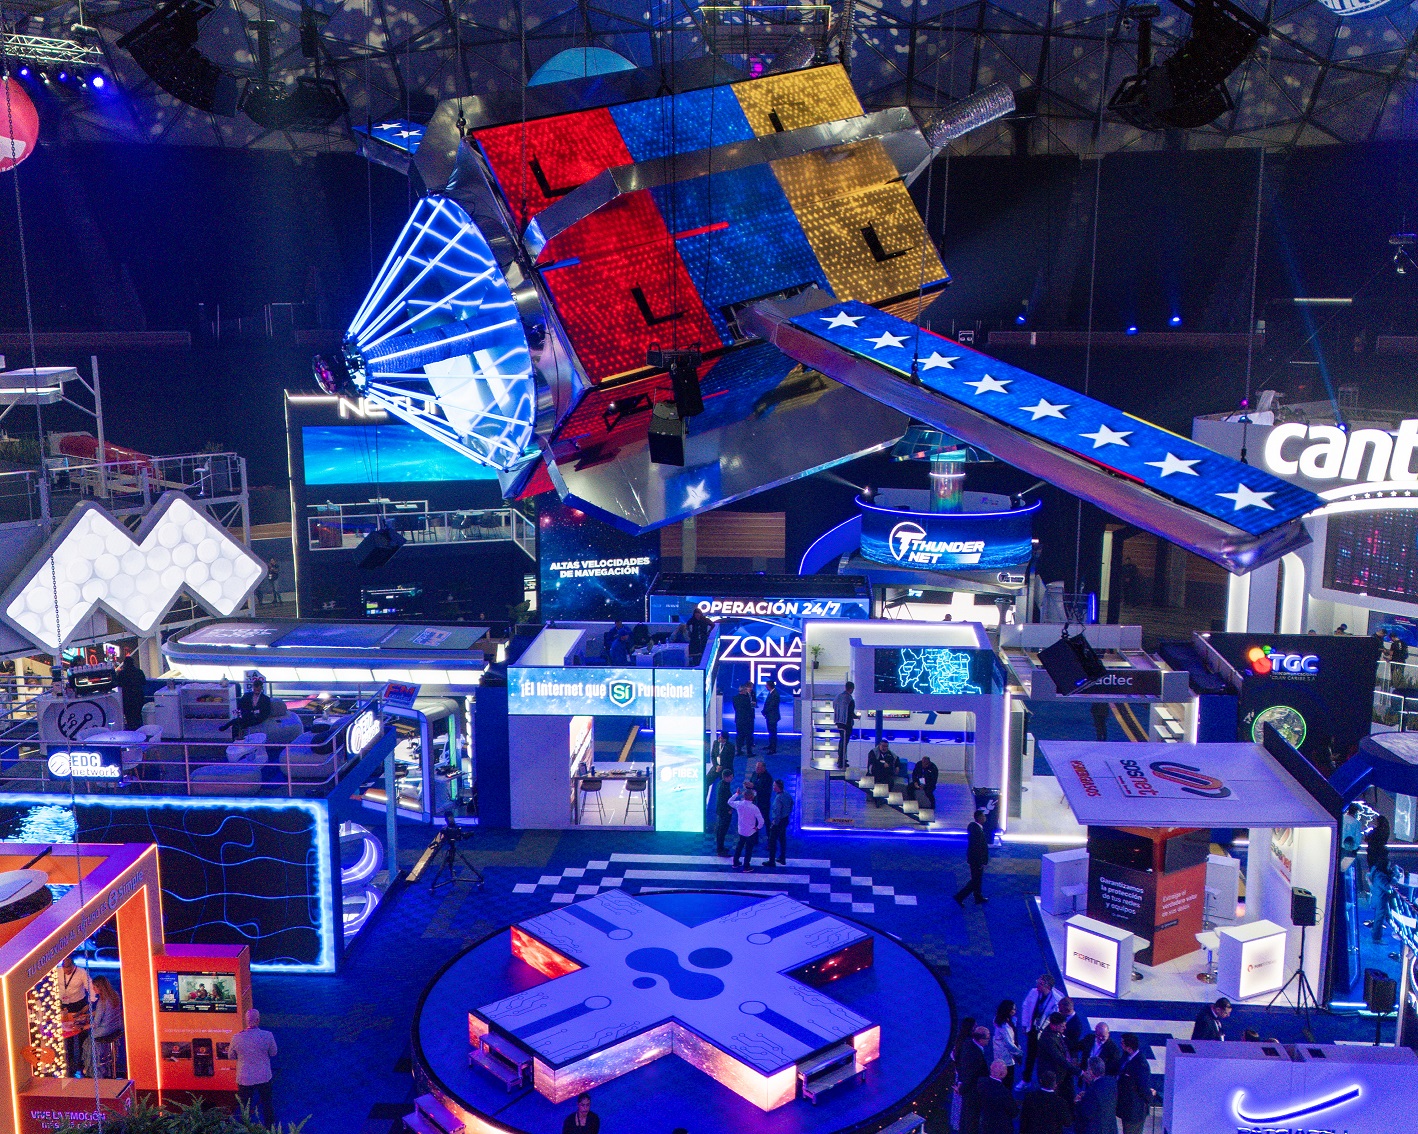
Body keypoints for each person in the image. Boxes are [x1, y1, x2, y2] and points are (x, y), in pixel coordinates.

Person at [231, 1007, 278, 1125]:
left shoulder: (237, 1037)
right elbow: (273, 1053)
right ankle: (270, 1128)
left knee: (244, 1106)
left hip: (244, 1078)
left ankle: (245, 1128)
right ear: (258, 1020)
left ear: (246, 1021)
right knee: (267, 1103)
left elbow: (231, 1056)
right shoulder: (267, 1035)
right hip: (264, 1076)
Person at [1019, 973, 1060, 1082]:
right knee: (1030, 1056)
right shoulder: (1033, 992)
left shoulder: (1056, 1000)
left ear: (1048, 986)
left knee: (1044, 1059)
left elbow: (1056, 1019)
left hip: (1045, 1034)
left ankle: (1044, 1082)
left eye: (1040, 983)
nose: (1037, 984)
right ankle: (1026, 1080)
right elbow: (1026, 1007)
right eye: (1038, 981)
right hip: (1033, 1029)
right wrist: (1025, 1024)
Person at [59, 955, 93, 1076]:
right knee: (67, 1034)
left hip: (79, 1005)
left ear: (74, 966)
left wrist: (90, 1003)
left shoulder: (81, 972)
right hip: (64, 1006)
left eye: (69, 969)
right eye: (65, 969)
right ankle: (70, 1063)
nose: (66, 972)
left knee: (81, 1034)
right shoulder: (57, 972)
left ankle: (83, 1062)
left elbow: (91, 988)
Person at [954, 1024, 991, 1134]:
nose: (989, 1040)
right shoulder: (976, 1056)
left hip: (968, 1088)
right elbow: (970, 1076)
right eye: (987, 1038)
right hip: (973, 1091)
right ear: (980, 1040)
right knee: (971, 1119)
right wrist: (961, 1089)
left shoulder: (968, 1044)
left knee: (966, 1117)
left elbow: (961, 1064)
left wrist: (960, 1082)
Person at [1037, 1014, 1075, 1118]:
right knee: (1052, 1103)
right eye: (1062, 1026)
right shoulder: (1048, 1039)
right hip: (1052, 1075)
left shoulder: (1055, 1033)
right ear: (1054, 1025)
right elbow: (1059, 1059)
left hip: (1060, 1074)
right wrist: (1078, 1072)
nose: (1065, 1028)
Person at [1115, 1033, 1154, 1134]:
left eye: (1122, 1043)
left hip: (1134, 1111)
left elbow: (1143, 1087)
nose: (1121, 1045)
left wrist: (1150, 1097)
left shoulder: (1140, 1064)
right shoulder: (1125, 1057)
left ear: (1129, 1047)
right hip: (1126, 1108)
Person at [88, 976, 123, 1079]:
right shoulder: (114, 995)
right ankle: (106, 1065)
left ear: (100, 987)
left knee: (88, 1039)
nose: (93, 989)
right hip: (117, 1028)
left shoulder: (102, 1001)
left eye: (95, 987)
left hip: (105, 1030)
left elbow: (96, 1023)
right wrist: (89, 1015)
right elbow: (106, 1011)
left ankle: (95, 1068)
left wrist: (80, 1027)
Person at [1073, 1056, 1117, 1134]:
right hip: (1110, 1128)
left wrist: (1078, 1102)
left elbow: (1087, 1113)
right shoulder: (1111, 1082)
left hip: (1096, 1130)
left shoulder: (1093, 1090)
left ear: (1091, 1071)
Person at [954, 809, 990, 906]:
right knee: (975, 880)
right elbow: (977, 848)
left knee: (977, 879)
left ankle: (978, 897)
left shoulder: (975, 828)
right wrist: (980, 861)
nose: (985, 818)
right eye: (983, 816)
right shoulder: (977, 830)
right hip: (976, 860)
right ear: (979, 818)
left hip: (975, 859)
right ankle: (959, 896)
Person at [1018, 1068, 1068, 1134]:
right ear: (1055, 1085)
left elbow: (1024, 1119)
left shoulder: (1030, 1097)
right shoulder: (1061, 1102)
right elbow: (1067, 1122)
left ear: (1040, 1081)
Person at [729, 786, 764, 872]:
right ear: (752, 797)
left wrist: (736, 794)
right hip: (751, 831)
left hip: (741, 830)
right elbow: (761, 821)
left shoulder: (739, 804)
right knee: (748, 849)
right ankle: (746, 866)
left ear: (744, 796)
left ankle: (735, 862)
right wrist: (758, 828)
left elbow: (729, 802)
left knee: (739, 846)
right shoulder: (754, 808)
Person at [977, 1060, 1018, 1134]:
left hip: (985, 1125)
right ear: (1003, 1074)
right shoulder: (1004, 1092)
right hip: (1001, 1129)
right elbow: (1014, 1112)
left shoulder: (980, 1082)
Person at [233, 672, 277, 738]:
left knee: (241, 722)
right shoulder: (246, 696)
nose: (256, 691)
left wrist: (258, 717)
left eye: (258, 689)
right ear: (253, 687)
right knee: (237, 723)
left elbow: (267, 712)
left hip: (258, 718)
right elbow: (240, 705)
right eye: (255, 689)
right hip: (247, 716)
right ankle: (236, 739)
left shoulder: (265, 699)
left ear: (261, 688)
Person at [991, 1000, 1022, 1088]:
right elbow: (1009, 1043)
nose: (1015, 1011)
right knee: (1007, 1082)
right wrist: (1019, 1053)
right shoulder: (1004, 1025)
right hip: (1005, 1057)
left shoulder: (1005, 1021)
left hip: (1002, 1055)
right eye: (1013, 1009)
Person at [116, 653, 147, 731]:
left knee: (129, 717)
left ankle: (131, 732)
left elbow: (118, 684)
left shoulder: (122, 673)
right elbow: (144, 682)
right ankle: (140, 732)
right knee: (138, 716)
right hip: (138, 697)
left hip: (127, 698)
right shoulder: (139, 672)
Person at [766, 779, 792, 868]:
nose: (773, 787)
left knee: (772, 841)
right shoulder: (787, 794)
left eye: (774, 786)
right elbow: (791, 804)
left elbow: (777, 813)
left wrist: (774, 823)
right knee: (782, 839)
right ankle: (782, 858)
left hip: (779, 822)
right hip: (785, 819)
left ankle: (771, 861)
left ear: (778, 787)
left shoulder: (778, 798)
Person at [710, 770, 735, 856]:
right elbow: (723, 801)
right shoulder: (723, 787)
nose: (732, 778)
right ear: (726, 777)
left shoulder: (722, 783)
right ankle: (720, 850)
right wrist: (728, 809)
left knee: (721, 830)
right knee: (722, 830)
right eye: (731, 776)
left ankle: (721, 847)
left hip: (721, 811)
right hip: (724, 812)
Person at [832, 681, 856, 769]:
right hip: (846, 723)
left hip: (838, 722)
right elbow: (850, 713)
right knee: (845, 742)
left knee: (842, 741)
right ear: (852, 689)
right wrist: (857, 717)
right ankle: (841, 761)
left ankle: (841, 759)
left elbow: (834, 707)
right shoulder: (849, 699)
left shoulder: (838, 697)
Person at [733, 684, 756, 758]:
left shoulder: (735, 698)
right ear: (743, 690)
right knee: (748, 736)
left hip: (738, 720)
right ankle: (749, 752)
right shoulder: (747, 699)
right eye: (746, 690)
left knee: (739, 736)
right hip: (747, 721)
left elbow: (736, 709)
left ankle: (739, 751)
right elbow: (749, 709)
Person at [762, 678, 781, 755]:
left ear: (769, 686)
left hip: (773, 716)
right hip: (770, 716)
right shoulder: (772, 693)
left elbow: (772, 706)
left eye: (766, 685)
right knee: (771, 732)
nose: (765, 687)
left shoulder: (775, 694)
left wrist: (764, 711)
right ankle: (771, 745)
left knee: (773, 733)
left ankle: (773, 749)